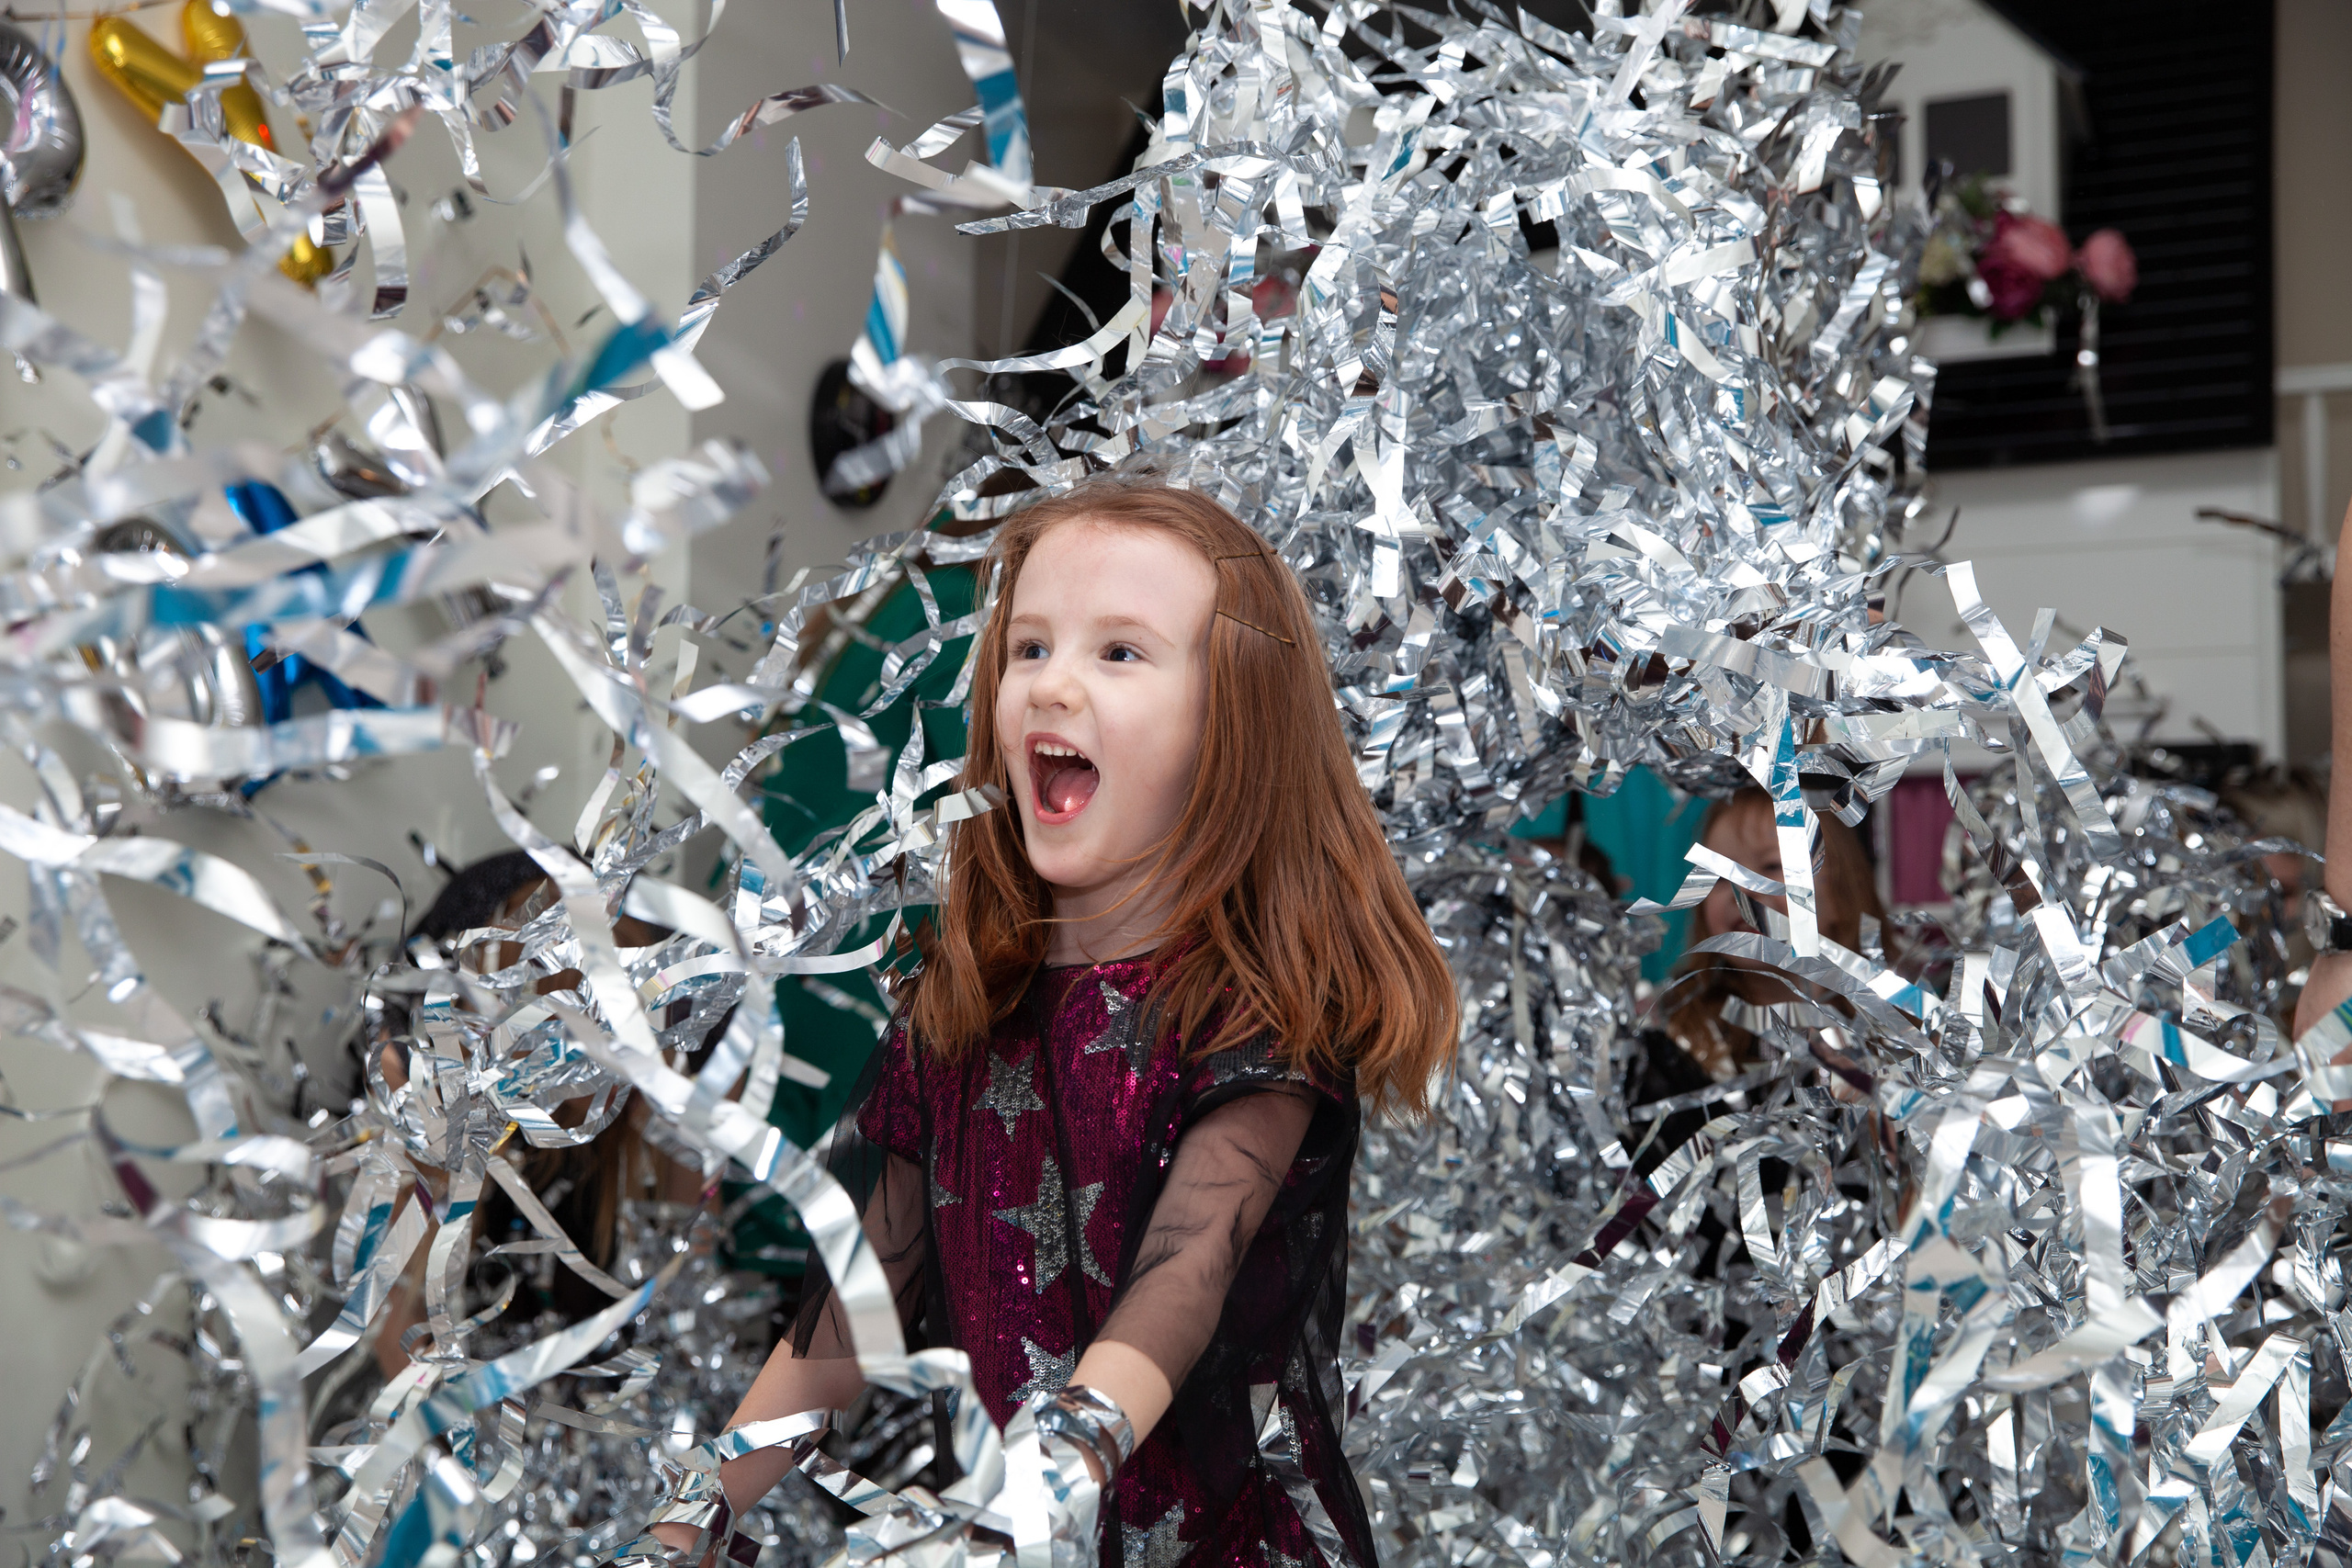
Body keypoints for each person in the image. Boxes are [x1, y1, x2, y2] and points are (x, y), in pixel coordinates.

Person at [646, 473, 1458, 1568]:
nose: (1050, 685)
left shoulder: (1255, 1020)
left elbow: (1186, 1268)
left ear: (1235, 721)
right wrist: (691, 1519)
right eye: (1028, 649)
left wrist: (1051, 1472)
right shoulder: (959, 1009)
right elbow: (846, 1319)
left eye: (1118, 652)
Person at [1646, 787, 1889, 1082]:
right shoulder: (1680, 1035)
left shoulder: (1888, 1032)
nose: (1743, 891)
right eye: (1720, 876)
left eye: (1773, 866)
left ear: (1841, 894)